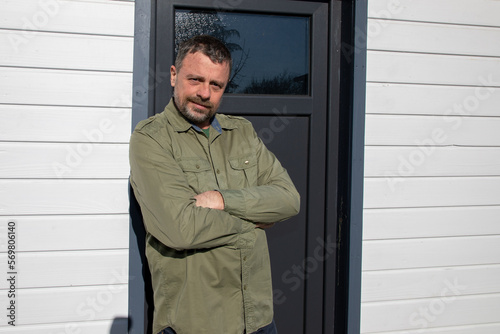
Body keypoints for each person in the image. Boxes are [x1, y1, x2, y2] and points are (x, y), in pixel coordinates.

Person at [129, 35, 300, 334]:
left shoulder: (242, 132)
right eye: (195, 79)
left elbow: (288, 199)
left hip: (258, 320)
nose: (204, 93)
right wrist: (255, 222)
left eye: (216, 85)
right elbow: (179, 227)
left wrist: (222, 200)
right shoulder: (151, 138)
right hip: (195, 324)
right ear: (173, 75)